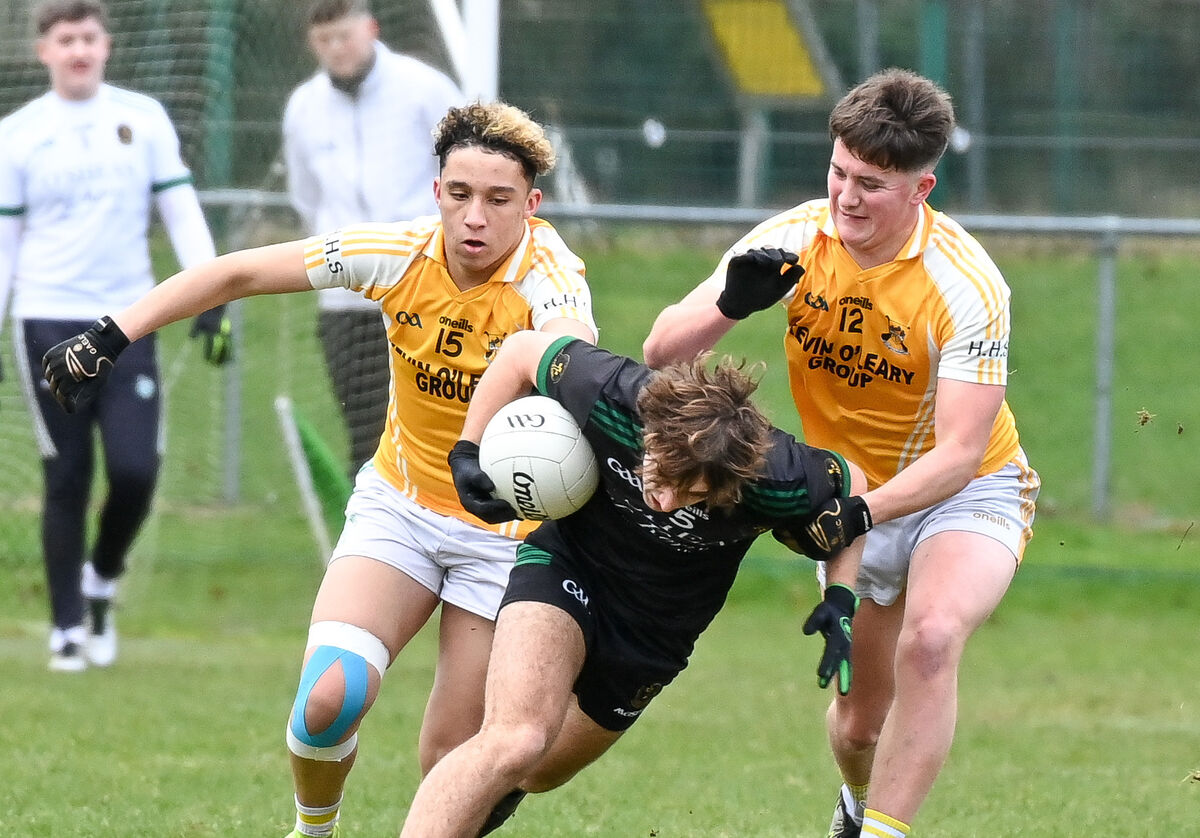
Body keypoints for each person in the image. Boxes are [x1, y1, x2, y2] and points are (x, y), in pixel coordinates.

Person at [42, 100, 597, 838]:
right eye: (460, 193)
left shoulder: (550, 275)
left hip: (503, 536)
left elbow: (571, 353)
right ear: (436, 192)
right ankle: (312, 832)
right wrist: (112, 334)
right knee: (328, 699)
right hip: (400, 507)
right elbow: (240, 272)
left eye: (499, 200)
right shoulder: (399, 252)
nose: (474, 217)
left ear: (531, 205)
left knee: (454, 765)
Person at [642, 68, 1040, 837]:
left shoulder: (968, 284)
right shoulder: (796, 238)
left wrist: (856, 514)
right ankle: (857, 805)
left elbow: (960, 453)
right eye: (839, 172)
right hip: (852, 490)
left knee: (932, 640)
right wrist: (729, 306)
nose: (846, 198)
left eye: (872, 185)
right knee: (859, 729)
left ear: (921, 188)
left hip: (968, 490)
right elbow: (661, 350)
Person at [398, 320, 873, 837]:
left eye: (693, 495)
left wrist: (840, 595)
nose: (666, 502)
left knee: (538, 772)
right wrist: (466, 451)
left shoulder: (777, 475)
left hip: (657, 630)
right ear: (650, 433)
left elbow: (854, 485)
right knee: (516, 739)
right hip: (570, 567)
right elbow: (520, 351)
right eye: (662, 476)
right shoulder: (611, 392)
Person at [0, 0, 232, 673]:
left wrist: (211, 299)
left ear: (106, 46)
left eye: (88, 38)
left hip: (128, 323)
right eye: (65, 39)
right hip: (45, 319)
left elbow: (181, 212)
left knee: (135, 470)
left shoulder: (143, 119)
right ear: (44, 51)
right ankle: (67, 628)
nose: (78, 50)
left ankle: (102, 576)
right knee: (66, 474)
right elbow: (6, 240)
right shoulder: (18, 134)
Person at [283, 0, 466, 476]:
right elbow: (305, 196)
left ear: (371, 28)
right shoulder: (303, 108)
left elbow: (465, 173)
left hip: (423, 287)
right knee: (366, 433)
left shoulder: (424, 89)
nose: (336, 48)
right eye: (324, 40)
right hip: (346, 297)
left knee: (433, 425)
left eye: (345, 36)